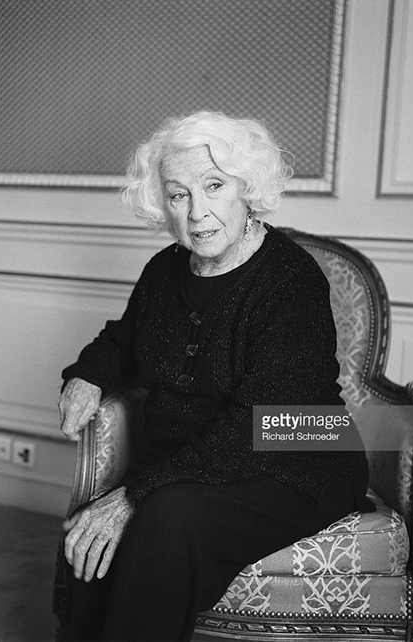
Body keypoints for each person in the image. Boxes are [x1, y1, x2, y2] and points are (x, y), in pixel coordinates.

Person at [58, 111, 373, 642]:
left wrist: (136, 492)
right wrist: (88, 376)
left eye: (214, 186)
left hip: (298, 462)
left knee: (164, 520)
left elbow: (259, 426)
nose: (197, 212)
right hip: (193, 461)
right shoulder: (164, 270)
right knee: (93, 533)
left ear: (246, 188)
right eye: (178, 194)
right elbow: (123, 340)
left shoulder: (290, 281)